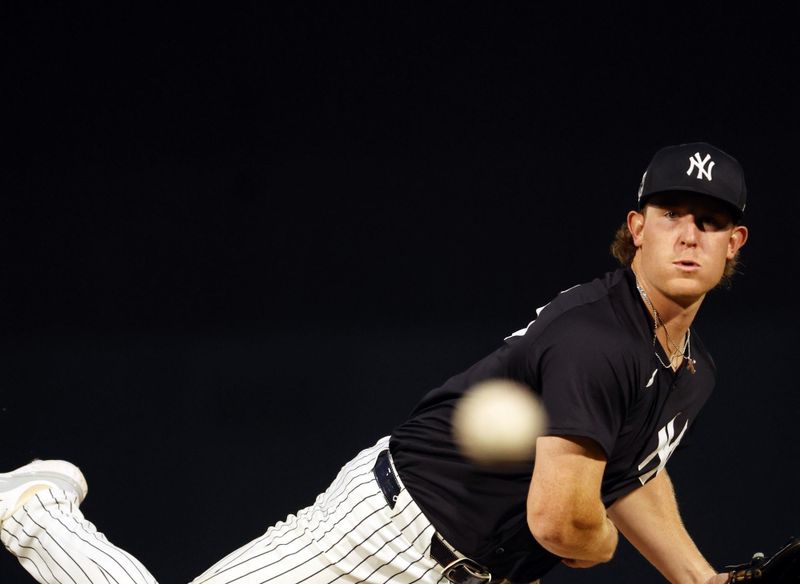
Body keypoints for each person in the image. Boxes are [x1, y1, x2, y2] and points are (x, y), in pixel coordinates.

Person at [0, 142, 749, 584]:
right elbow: (561, 522)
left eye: (709, 222)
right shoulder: (600, 338)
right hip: (377, 543)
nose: (689, 235)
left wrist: (699, 579)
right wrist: (606, 541)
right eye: (672, 216)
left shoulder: (689, 367)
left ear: (733, 245)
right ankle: (35, 512)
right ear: (635, 229)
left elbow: (633, 471)